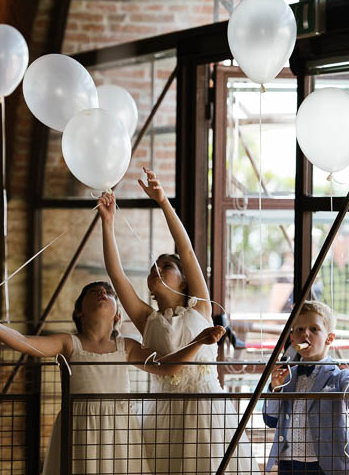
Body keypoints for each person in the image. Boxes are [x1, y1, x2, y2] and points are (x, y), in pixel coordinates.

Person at [0, 281, 225, 475]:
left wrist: (198, 342)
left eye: (109, 293)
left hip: (121, 432)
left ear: (117, 316)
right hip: (78, 429)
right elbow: (24, 342)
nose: (103, 293)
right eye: (94, 291)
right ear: (79, 312)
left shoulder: (128, 345)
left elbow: (168, 368)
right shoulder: (69, 343)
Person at [98, 167, 257, 474]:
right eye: (154, 266)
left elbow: (185, 248)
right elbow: (116, 275)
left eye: (167, 265)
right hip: (164, 412)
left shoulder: (200, 307)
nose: (157, 268)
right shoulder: (147, 318)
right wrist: (108, 223)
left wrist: (163, 202)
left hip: (207, 410)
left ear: (184, 281)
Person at [264, 300, 349, 475]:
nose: (305, 334)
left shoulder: (341, 376)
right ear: (292, 338)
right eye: (299, 329)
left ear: (329, 338)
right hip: (289, 462)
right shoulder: (287, 375)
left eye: (314, 329)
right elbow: (271, 420)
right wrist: (275, 388)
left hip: (326, 464)